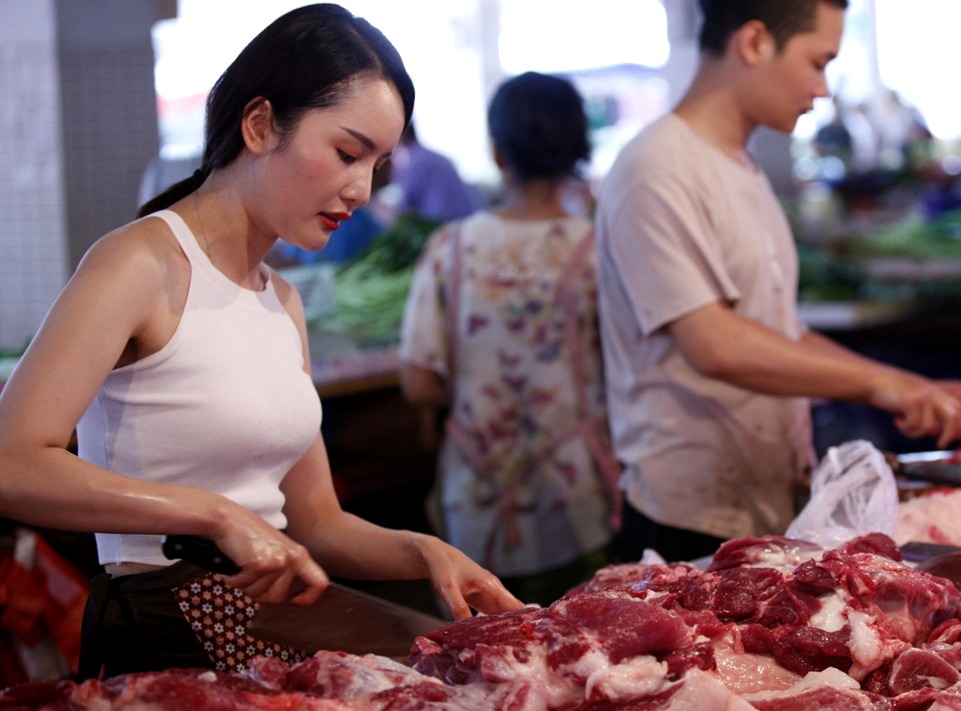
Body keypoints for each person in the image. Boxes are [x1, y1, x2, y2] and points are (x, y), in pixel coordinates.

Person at [0, 4, 522, 679]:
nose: (361, 189)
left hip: (272, 612)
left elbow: (317, 522)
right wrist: (213, 515)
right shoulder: (139, 262)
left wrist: (421, 549)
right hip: (166, 617)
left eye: (378, 163)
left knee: (482, 678)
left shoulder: (282, 299)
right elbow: (13, 460)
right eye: (346, 152)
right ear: (258, 125)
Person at [595, 0, 961, 565]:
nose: (822, 89)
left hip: (763, 501)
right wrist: (880, 386)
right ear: (753, 42)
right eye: (818, 62)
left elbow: (777, 333)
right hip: (686, 522)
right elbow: (716, 343)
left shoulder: (738, 165)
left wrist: (915, 385)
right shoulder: (658, 168)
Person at [399, 72, 617, 607]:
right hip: (577, 495)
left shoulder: (451, 248)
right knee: (586, 653)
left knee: (484, 657)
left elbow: (419, 383)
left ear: (497, 153)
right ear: (577, 154)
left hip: (478, 498)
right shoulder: (596, 249)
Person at [390, 122, 481, 223]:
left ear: (401, 137)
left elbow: (406, 205)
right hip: (468, 219)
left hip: (443, 223)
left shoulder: (416, 162)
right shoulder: (434, 156)